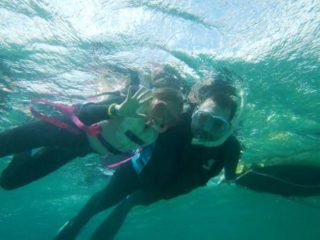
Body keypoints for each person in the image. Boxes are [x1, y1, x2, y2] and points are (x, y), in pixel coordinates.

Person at [54, 71, 243, 240]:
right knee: (102, 202)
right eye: (202, 118)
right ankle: (73, 226)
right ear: (195, 111)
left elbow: (229, 177)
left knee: (126, 205)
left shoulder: (230, 148)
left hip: (156, 193)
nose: (204, 129)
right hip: (133, 174)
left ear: (229, 128)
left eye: (217, 125)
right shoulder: (173, 122)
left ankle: (123, 207)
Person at [0, 85, 183, 190]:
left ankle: (24, 149)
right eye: (160, 109)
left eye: (169, 118)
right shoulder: (129, 104)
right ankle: (23, 127)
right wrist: (116, 110)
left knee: (10, 182)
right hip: (62, 129)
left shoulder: (152, 136)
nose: (161, 118)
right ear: (152, 99)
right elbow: (85, 113)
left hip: (75, 151)